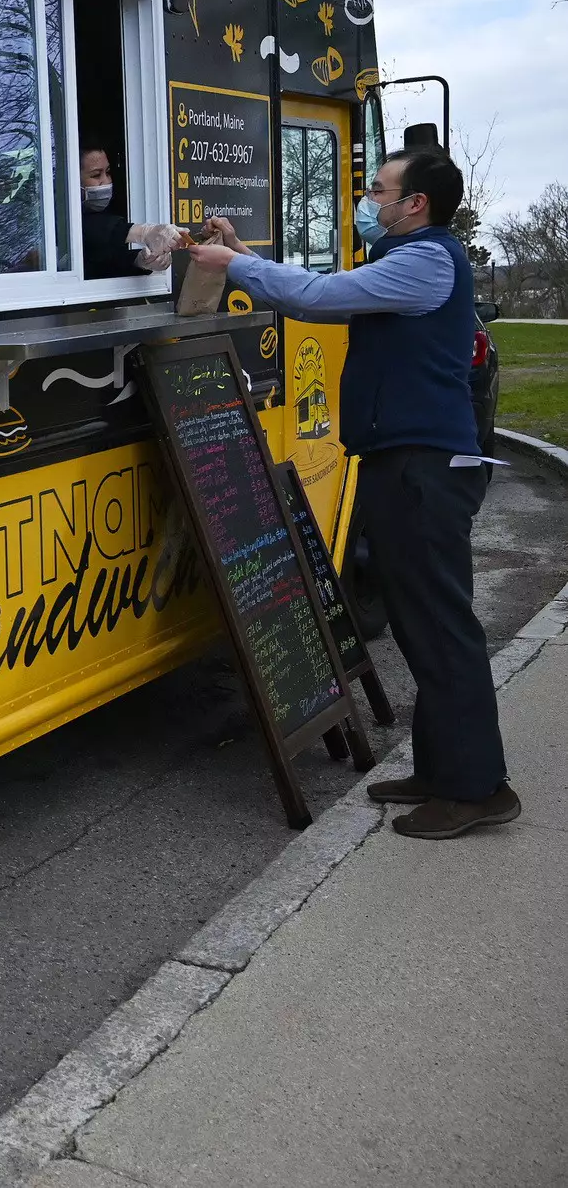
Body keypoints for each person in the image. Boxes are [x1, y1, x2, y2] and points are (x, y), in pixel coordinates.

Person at [188, 150, 518, 839]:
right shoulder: (409, 258)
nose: (370, 199)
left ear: (416, 203)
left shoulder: (426, 259)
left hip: (424, 471)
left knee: (440, 628)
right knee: (417, 623)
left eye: (380, 189)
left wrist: (232, 267)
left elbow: (316, 298)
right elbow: (327, 292)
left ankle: (476, 788)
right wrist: (244, 253)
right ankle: (441, 770)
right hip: (403, 465)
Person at [80, 145, 181, 277]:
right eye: (96, 175)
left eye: (108, 172)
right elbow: (88, 231)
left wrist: (141, 261)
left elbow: (103, 262)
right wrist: (143, 232)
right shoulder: (55, 221)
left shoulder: (104, 212)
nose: (106, 181)